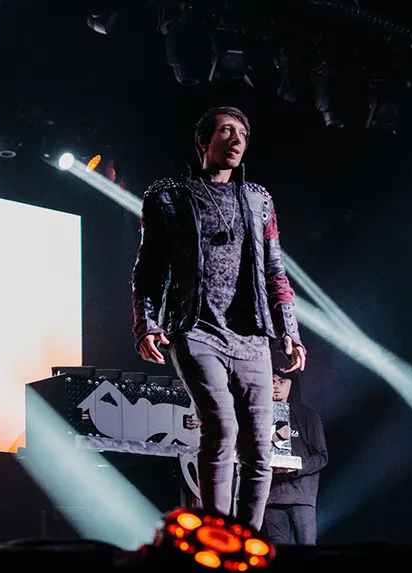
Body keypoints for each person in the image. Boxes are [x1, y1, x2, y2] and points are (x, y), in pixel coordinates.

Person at [131, 106, 307, 531]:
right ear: (203, 142)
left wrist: (290, 331)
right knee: (222, 428)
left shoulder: (259, 199)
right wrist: (146, 322)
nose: (236, 139)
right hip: (196, 329)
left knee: (260, 448)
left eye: (243, 134)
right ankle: (216, 535)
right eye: (226, 131)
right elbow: (149, 267)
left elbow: (275, 270)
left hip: (251, 337)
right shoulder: (168, 196)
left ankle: (245, 539)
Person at [264, 369, 327, 545]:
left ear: (292, 385)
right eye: (272, 381)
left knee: (306, 547)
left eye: (281, 381)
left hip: (301, 496)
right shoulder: (259, 417)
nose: (276, 385)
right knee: (276, 550)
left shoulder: (308, 416)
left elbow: (322, 457)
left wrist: (298, 466)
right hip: (272, 497)